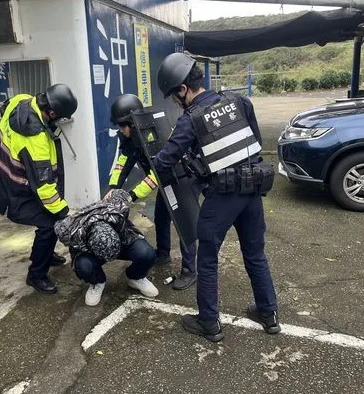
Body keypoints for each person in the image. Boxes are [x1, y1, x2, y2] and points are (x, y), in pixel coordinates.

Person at [153, 53, 280, 342]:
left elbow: (164, 160)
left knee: (207, 258)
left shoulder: (190, 119)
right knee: (256, 254)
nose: (176, 101)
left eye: (174, 96)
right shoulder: (239, 101)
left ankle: (209, 322)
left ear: (183, 89)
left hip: (222, 195)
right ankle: (268, 314)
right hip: (253, 189)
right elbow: (255, 142)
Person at [0, 84, 78, 294]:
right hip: (13, 192)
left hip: (0, 177)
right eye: (58, 117)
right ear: (51, 112)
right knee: (52, 222)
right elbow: (44, 189)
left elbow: (3, 108)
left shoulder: (21, 100)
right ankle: (36, 275)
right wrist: (66, 212)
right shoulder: (36, 140)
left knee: (50, 219)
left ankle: (45, 253)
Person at [107, 93, 198, 290]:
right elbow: (124, 161)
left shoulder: (155, 133)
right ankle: (163, 254)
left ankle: (190, 270)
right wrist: (114, 187)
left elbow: (159, 172)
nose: (121, 131)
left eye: (122, 126)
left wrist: (132, 195)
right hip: (164, 180)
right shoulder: (131, 137)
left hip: (180, 179)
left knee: (184, 224)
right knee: (161, 217)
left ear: (131, 123)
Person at [54, 189, 158, 306]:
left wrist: (113, 188)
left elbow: (121, 194)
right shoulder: (71, 231)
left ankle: (136, 277)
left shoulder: (117, 209)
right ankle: (97, 281)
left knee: (147, 254)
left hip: (122, 239)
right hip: (90, 246)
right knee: (83, 266)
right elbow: (57, 226)